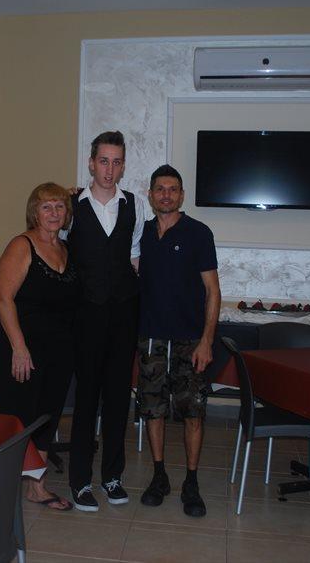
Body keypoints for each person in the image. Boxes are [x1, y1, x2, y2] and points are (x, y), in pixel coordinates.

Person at [67, 130, 148, 512]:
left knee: (117, 398)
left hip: (122, 315)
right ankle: (80, 480)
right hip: (85, 315)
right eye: (103, 161)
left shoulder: (135, 205)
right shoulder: (71, 206)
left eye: (116, 162)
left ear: (123, 166)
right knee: (86, 399)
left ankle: (112, 476)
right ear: (91, 163)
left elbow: (135, 256)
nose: (109, 169)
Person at [136, 164, 221, 517]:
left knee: (192, 414)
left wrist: (207, 341)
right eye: (160, 189)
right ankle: (159, 476)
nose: (166, 195)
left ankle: (191, 482)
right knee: (153, 410)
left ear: (182, 195)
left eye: (173, 189)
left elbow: (213, 291)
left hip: (190, 340)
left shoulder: (198, 233)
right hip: (151, 339)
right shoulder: (141, 233)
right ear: (151, 195)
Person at [0, 182, 79, 511]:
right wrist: (19, 347)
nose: (54, 213)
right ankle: (2, 483)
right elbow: (3, 298)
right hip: (23, 350)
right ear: (34, 212)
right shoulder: (22, 245)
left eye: (60, 206)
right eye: (46, 207)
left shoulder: (66, 250)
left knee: (47, 417)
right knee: (19, 418)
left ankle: (36, 486)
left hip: (59, 351)